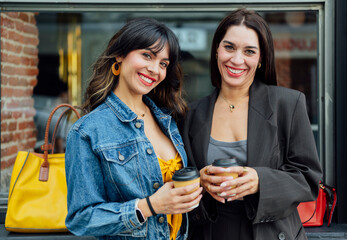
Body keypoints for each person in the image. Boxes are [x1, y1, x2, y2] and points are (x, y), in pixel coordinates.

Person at [180, 8, 322, 240]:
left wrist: (260, 181)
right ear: (216, 50)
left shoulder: (288, 104)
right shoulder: (191, 114)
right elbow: (179, 181)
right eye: (229, 47)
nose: (237, 59)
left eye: (249, 51)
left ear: (261, 59)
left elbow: (308, 179)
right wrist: (200, 181)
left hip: (272, 233)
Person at [65, 18, 203, 240]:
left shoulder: (168, 120)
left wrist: (198, 181)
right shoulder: (87, 131)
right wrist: (150, 206)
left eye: (163, 64)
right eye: (147, 55)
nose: (154, 69)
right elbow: (82, 219)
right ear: (120, 55)